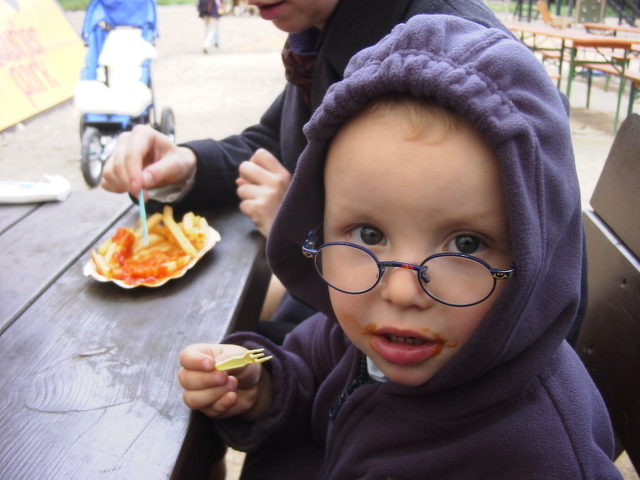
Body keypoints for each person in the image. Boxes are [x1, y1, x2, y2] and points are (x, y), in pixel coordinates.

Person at [177, 15, 620, 479]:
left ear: (537, 258)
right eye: (368, 234)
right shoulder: (353, 332)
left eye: (466, 244)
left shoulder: (529, 455)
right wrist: (263, 389)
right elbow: (309, 379)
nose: (403, 291)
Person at [100, 0, 517, 343]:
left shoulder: (441, 52)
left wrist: (301, 225)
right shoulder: (327, 29)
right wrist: (189, 164)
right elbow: (277, 139)